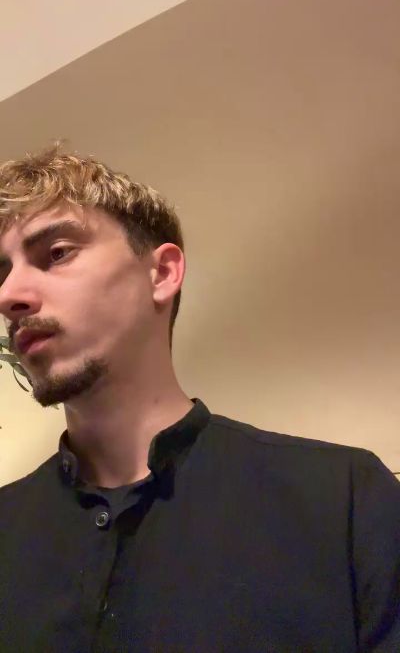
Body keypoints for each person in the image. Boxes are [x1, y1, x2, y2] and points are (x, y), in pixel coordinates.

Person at [0, 143, 399, 653]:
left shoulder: (345, 500)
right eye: (2, 272)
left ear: (162, 273)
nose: (9, 295)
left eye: (56, 253)